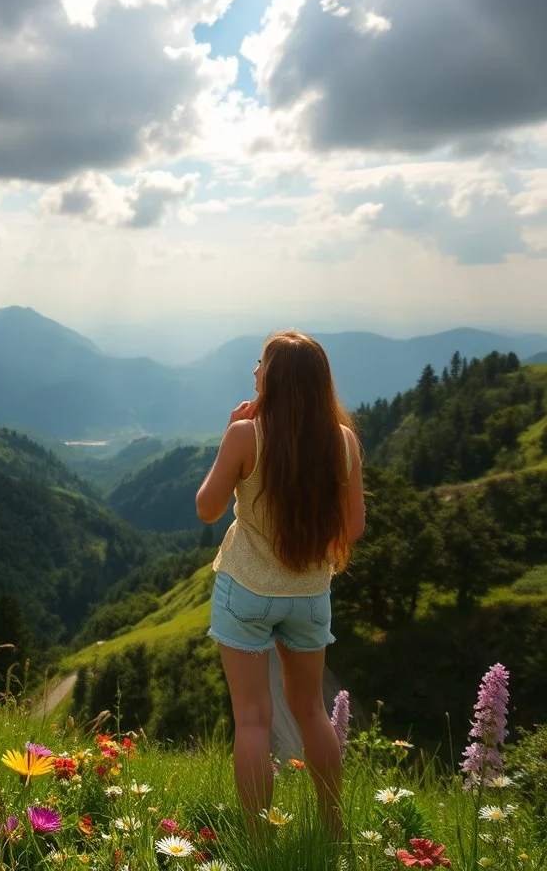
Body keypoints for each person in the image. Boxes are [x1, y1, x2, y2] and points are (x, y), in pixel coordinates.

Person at [195, 330, 365, 838]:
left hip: (245, 588)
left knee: (252, 720)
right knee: (312, 711)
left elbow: (206, 508)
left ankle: (258, 839)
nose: (253, 372)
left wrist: (229, 434)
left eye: (260, 364)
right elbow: (351, 528)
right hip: (310, 595)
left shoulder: (247, 433)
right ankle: (332, 825)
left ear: (276, 378)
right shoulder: (343, 441)